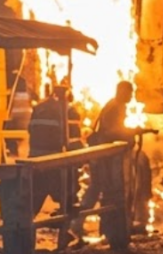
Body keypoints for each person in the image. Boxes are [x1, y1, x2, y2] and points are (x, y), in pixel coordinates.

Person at [72, 81, 154, 237]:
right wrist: (132, 132)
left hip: (103, 155)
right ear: (122, 92)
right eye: (130, 93)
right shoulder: (116, 107)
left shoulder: (114, 105)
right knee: (106, 190)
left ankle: (78, 224)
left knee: (96, 188)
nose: (131, 96)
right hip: (105, 156)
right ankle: (88, 225)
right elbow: (111, 131)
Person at [28, 84, 84, 214]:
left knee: (32, 203)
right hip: (55, 164)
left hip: (35, 161)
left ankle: (20, 230)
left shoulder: (38, 108)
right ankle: (64, 224)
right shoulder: (69, 112)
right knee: (69, 196)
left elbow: (30, 130)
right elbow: (72, 143)